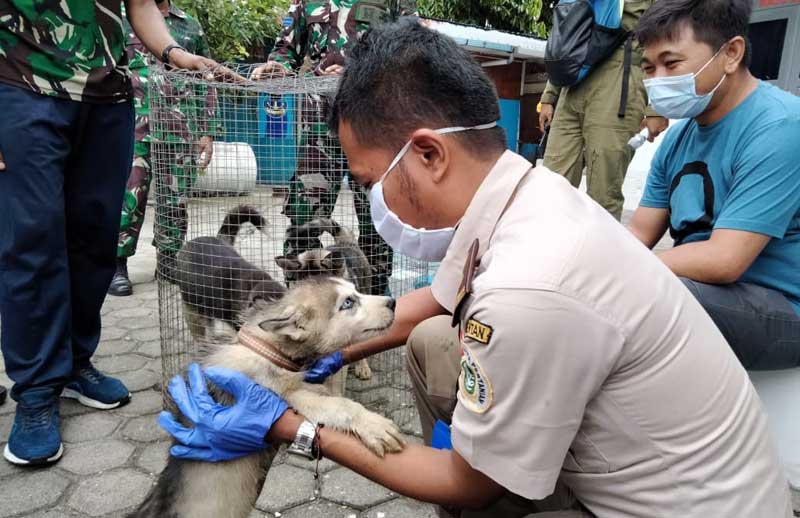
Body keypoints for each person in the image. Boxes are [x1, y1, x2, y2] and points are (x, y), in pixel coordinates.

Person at [159, 19, 792, 518]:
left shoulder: (528, 286)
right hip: (641, 452)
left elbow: (466, 484)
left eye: (371, 181)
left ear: (429, 153)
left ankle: (511, 486)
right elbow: (432, 303)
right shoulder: (523, 190)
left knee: (470, 478)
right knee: (435, 339)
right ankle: (509, 467)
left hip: (667, 508)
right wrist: (292, 361)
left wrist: (290, 424)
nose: (373, 199)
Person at [0, 0, 217, 466]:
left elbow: (140, 5)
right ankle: (37, 389)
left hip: (107, 100)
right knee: (33, 240)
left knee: (97, 236)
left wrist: (176, 53)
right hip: (21, 87)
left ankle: (76, 362)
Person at [628, 0, 800, 370]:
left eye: (671, 64)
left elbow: (725, 260)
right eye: (648, 68)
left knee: (643, 295)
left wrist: (621, 270)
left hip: (784, 310)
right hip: (714, 297)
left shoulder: (780, 127)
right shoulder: (677, 140)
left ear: (731, 54)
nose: (657, 80)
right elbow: (637, 235)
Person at [250, 0, 416, 296]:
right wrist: (278, 66)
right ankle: (305, 296)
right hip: (319, 127)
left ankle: (374, 293)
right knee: (304, 216)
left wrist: (362, 70)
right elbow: (286, 48)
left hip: (373, 128)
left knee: (378, 216)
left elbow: (412, 49)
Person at [108, 0, 218, 296]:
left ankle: (169, 261)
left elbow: (204, 81)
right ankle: (116, 264)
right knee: (128, 196)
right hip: (133, 126)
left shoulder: (188, 25)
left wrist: (206, 131)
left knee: (176, 200)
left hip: (179, 129)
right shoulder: (120, 19)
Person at [538, 0, 670, 221]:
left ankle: (599, 255)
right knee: (552, 186)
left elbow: (668, 37)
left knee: (602, 195)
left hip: (619, 81)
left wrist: (657, 107)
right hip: (574, 81)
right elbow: (570, 31)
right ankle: (548, 253)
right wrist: (550, 94)